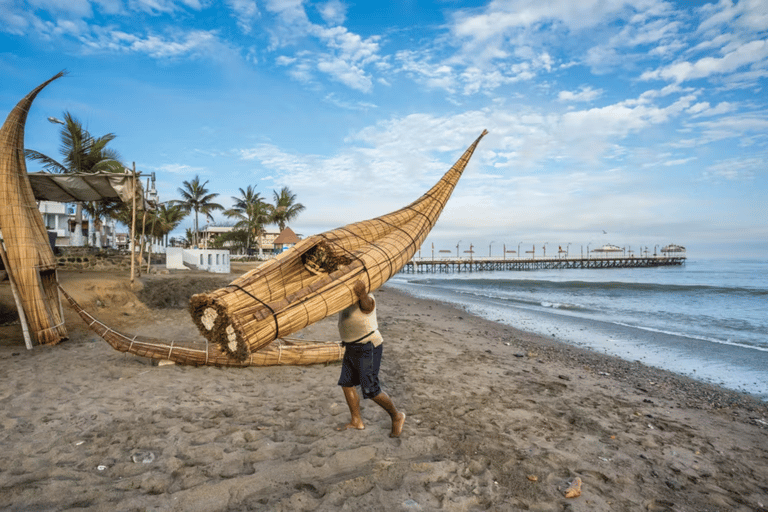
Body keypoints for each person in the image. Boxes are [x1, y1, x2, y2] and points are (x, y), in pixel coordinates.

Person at [336, 280, 405, 438]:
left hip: (368, 346)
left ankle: (397, 416)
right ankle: (356, 421)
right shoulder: (345, 300)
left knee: (371, 389)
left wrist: (361, 294)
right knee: (346, 383)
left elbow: (368, 307)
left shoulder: (367, 297)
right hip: (351, 346)